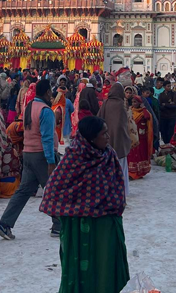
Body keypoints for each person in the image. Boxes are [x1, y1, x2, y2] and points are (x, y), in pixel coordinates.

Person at [40, 116, 130, 293]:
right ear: (90, 138)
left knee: (105, 266)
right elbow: (53, 189)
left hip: (106, 223)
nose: (107, 137)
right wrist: (73, 211)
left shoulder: (108, 155)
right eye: (103, 134)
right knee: (83, 269)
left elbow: (118, 186)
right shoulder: (74, 159)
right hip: (79, 228)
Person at [0, 79, 60, 240]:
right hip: (42, 156)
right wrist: (51, 161)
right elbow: (47, 138)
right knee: (54, 190)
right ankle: (59, 226)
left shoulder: (29, 106)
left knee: (23, 191)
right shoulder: (46, 111)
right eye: (50, 92)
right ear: (47, 92)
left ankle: (4, 223)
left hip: (28, 153)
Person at [98, 83, 132, 197]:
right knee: (121, 167)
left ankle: (108, 191)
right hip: (119, 141)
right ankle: (122, 192)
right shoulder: (121, 105)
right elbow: (122, 125)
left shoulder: (105, 103)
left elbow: (98, 119)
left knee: (107, 167)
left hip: (105, 140)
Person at [127, 94, 153, 180]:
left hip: (142, 137)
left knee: (141, 154)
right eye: (133, 102)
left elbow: (147, 117)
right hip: (133, 136)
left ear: (140, 103)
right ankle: (132, 173)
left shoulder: (143, 112)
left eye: (136, 102)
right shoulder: (130, 110)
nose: (134, 103)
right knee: (133, 155)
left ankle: (140, 172)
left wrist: (144, 108)